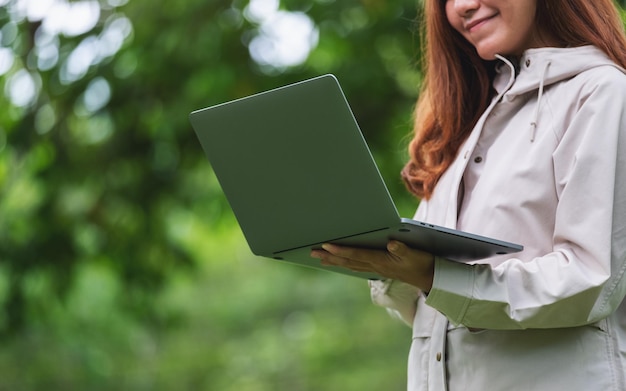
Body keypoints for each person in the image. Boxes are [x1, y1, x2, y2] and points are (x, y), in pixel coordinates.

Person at [311, 0, 626, 389]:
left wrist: (434, 275)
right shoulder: (469, 124)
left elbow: (592, 280)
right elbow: (430, 311)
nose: (461, 6)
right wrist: (386, 260)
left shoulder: (603, 93)